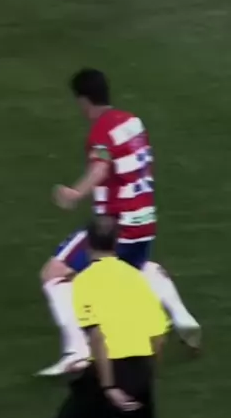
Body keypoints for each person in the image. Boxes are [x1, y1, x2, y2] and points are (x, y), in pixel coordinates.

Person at [38, 68, 200, 376]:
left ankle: (77, 350)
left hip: (114, 226)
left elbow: (101, 166)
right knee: (135, 269)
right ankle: (181, 316)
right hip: (144, 221)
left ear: (84, 100)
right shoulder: (133, 122)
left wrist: (75, 193)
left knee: (54, 274)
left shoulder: (101, 132)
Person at [52, 216, 168, 418]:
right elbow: (158, 336)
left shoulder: (84, 281)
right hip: (140, 372)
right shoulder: (136, 278)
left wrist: (109, 387)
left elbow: (97, 336)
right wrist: (147, 375)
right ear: (116, 243)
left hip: (107, 374)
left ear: (87, 244)